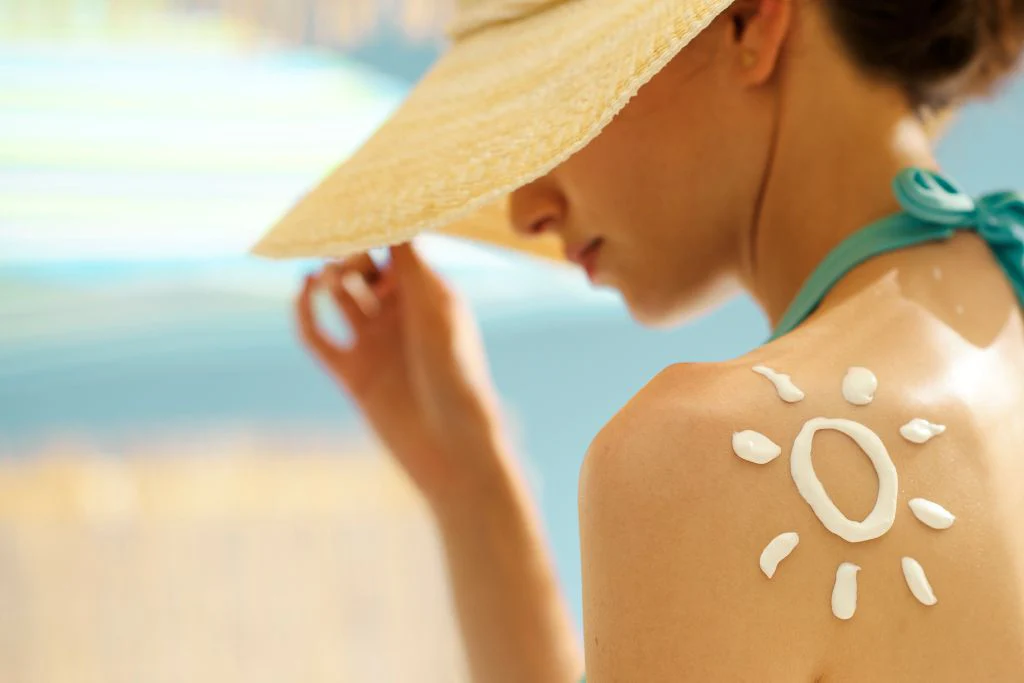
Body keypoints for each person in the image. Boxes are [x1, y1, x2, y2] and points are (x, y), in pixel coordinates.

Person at [256, 0, 1024, 680]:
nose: (525, 207)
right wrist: (470, 485)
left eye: (553, 107)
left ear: (748, 22)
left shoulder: (707, 455)